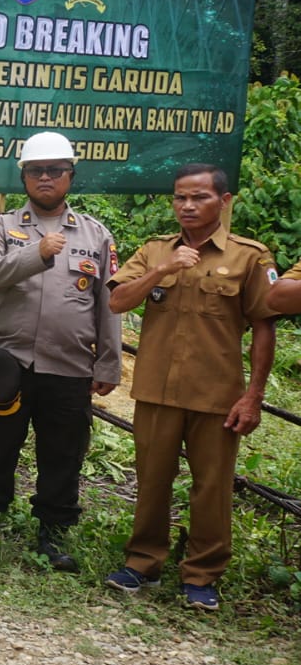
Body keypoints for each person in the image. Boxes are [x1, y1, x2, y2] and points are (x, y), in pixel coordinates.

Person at [104, 164, 277, 611]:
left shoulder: (249, 257)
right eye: (180, 197)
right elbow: (118, 300)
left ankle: (202, 575)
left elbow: (263, 327)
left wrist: (253, 395)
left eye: (199, 197)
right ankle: (142, 562)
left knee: (212, 488)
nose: (187, 205)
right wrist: (164, 267)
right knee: (152, 481)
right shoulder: (155, 250)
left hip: (216, 396)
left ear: (223, 201)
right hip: (157, 391)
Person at [0, 133, 122, 570]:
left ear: (71, 175)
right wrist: (37, 253)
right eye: (37, 170)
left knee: (63, 455)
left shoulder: (96, 235)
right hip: (9, 366)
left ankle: (52, 535)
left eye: (55, 170)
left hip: (69, 368)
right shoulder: (2, 226)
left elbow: (110, 304)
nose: (46, 177)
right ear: (24, 177)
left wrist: (109, 361)